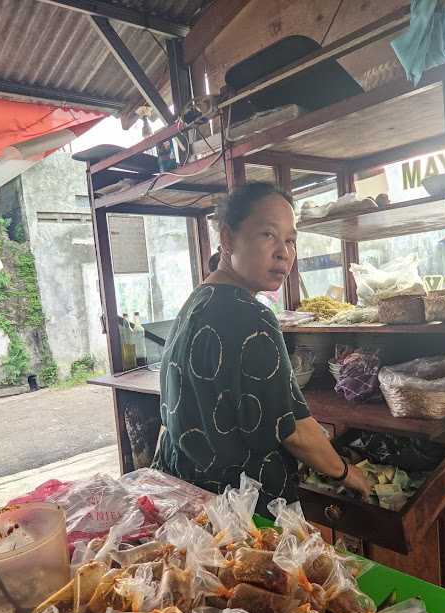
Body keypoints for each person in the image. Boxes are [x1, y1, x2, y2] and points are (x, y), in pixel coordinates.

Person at [152, 182, 371, 514]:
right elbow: (292, 429)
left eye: (290, 240)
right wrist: (345, 472)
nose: (283, 252)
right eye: (268, 235)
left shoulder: (197, 302)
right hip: (245, 512)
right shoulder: (250, 316)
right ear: (227, 239)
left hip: (193, 501)